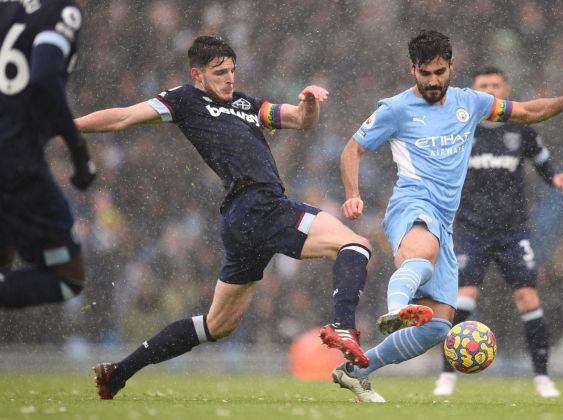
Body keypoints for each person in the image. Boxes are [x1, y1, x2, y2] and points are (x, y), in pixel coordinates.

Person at [75, 35, 373, 400]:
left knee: (217, 325)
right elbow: (123, 117)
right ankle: (344, 327)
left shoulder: (246, 103)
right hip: (258, 205)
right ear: (197, 75)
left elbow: (300, 121)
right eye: (220, 73)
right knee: (355, 245)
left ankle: (119, 372)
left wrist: (309, 102)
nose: (229, 79)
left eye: (232, 70)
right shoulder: (183, 99)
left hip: (242, 220)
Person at [332, 30, 563, 402]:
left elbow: (522, 112)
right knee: (420, 250)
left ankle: (357, 370)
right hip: (411, 204)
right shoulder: (394, 109)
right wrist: (352, 195)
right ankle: (396, 309)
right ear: (412, 69)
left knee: (439, 327)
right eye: (424, 73)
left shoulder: (470, 102)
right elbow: (352, 149)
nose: (432, 81)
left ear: (451, 66)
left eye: (439, 72)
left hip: (446, 221)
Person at [432, 66, 563, 398]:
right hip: (471, 229)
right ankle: (446, 376)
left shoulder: (521, 130)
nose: (492, 90)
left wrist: (556, 177)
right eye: (484, 86)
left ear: (506, 90)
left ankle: (542, 378)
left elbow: (543, 161)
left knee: (528, 297)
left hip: (513, 230)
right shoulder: (460, 130)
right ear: (475, 92)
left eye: (496, 85)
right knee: (462, 300)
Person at [0, 0, 96, 309]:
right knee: (68, 278)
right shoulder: (61, 10)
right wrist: (79, 153)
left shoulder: (7, 9)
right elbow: (44, 77)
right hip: (16, 163)